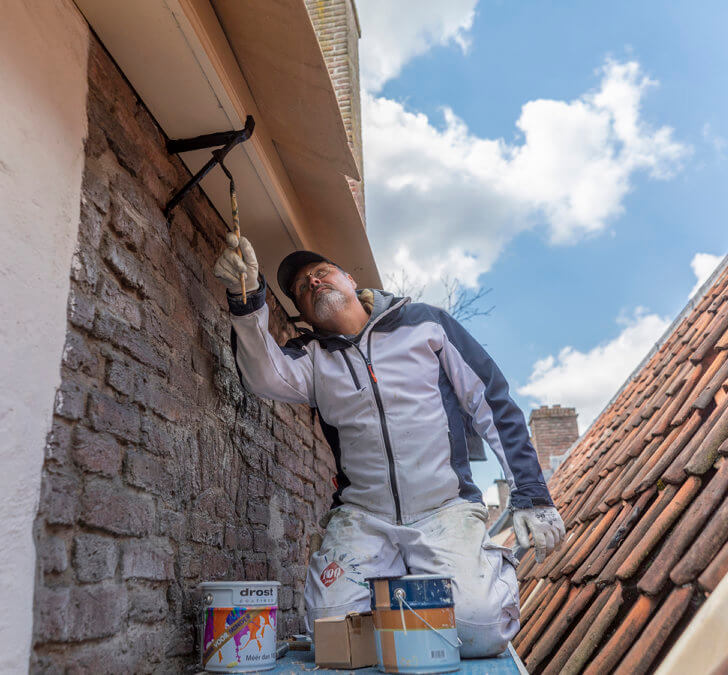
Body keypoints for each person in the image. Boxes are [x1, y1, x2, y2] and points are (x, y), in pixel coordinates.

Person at [213, 235, 565, 657]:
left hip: (444, 509)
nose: (312, 283)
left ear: (348, 277)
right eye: (301, 288)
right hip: (364, 518)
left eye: (320, 272)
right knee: (333, 635)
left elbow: (490, 400)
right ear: (302, 313)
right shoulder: (310, 357)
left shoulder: (424, 322)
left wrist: (530, 493)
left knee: (480, 630)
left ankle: (466, 570)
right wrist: (246, 297)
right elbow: (262, 374)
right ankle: (386, 581)